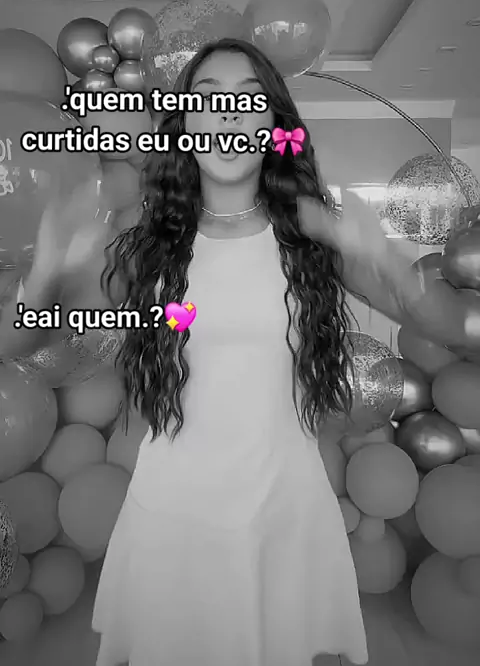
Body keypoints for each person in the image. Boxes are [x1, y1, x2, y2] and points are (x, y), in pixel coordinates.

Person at [0, 38, 467, 666]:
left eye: (248, 100)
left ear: (273, 125)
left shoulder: (309, 235)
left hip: (284, 510)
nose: (227, 116)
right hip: (176, 514)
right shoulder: (148, 245)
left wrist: (385, 258)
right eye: (208, 99)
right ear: (185, 124)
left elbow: (450, 326)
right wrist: (47, 272)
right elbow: (20, 336)